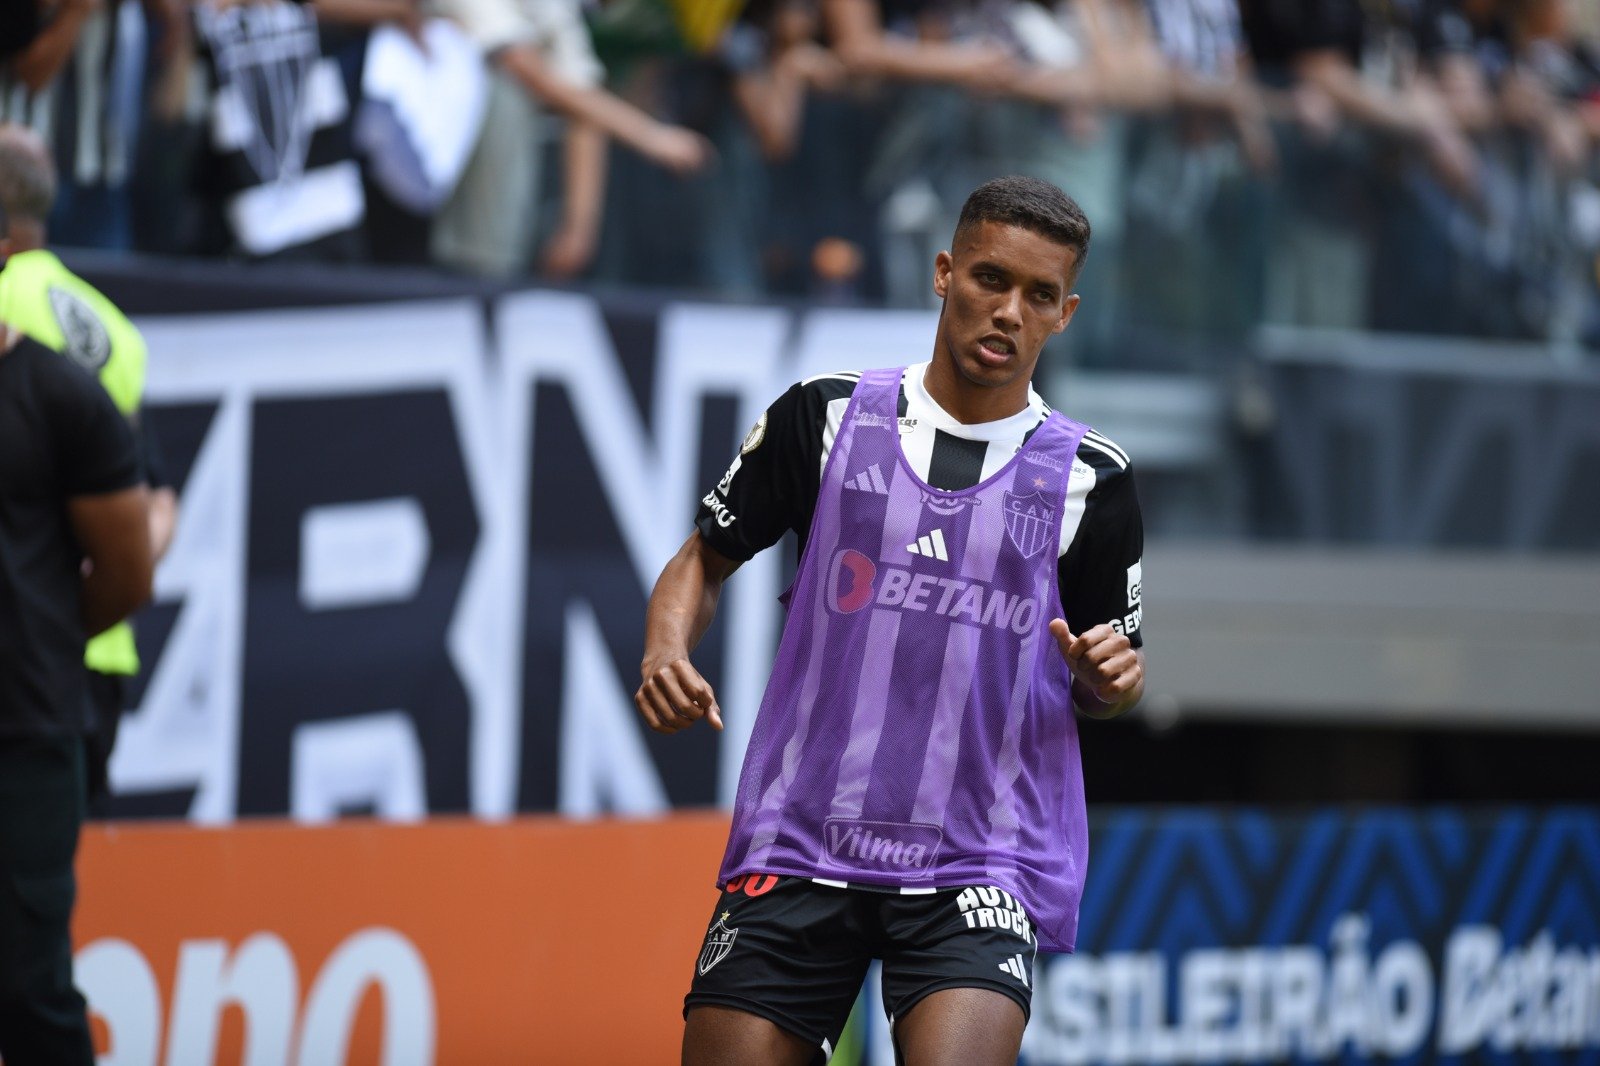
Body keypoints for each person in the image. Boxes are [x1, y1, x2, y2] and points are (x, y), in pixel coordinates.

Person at [637, 175, 1146, 1065]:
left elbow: (1107, 682)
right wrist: (665, 648)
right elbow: (699, 560)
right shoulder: (825, 415)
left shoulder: (1091, 479)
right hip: (801, 837)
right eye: (991, 279)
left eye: (1039, 296)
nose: (1009, 313)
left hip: (980, 859)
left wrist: (1110, 682)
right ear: (944, 273)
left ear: (1065, 314)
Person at [0, 196, 152, 1065]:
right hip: (43, 699)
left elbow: (130, 565)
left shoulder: (60, 390)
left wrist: (42, 636)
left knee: (28, 986)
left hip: (26, 725)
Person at [0, 122, 178, 813]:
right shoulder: (113, 328)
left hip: (20, 654)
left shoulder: (9, 313)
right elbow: (155, 493)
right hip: (96, 659)